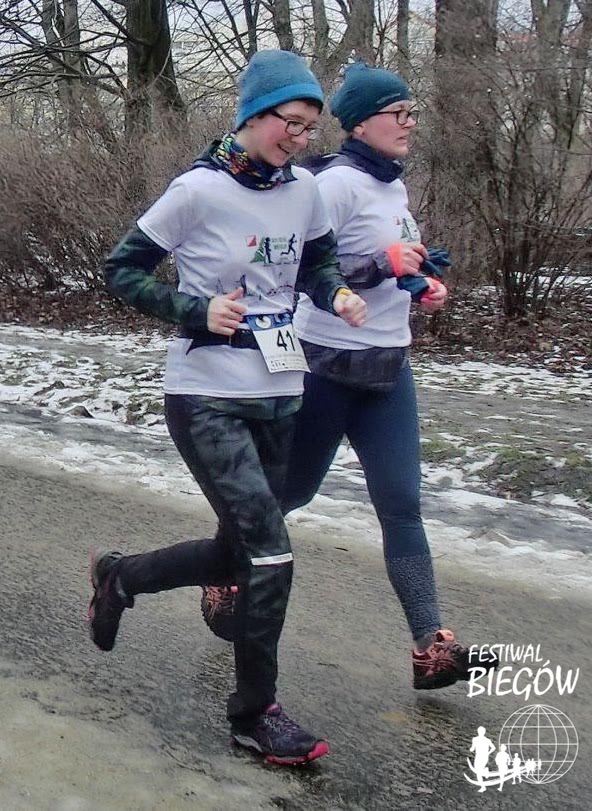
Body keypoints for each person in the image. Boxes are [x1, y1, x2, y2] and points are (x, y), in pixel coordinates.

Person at [87, 49, 366, 767]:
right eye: (289, 123)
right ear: (254, 115)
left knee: (236, 552)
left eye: (309, 127)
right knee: (271, 550)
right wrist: (195, 309)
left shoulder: (306, 191)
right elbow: (120, 270)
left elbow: (317, 261)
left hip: (281, 391)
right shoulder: (198, 190)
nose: (299, 139)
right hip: (207, 394)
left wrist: (335, 292)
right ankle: (255, 715)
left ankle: (121, 575)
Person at [201, 63, 498, 691]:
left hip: (388, 369)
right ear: (361, 122)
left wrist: (420, 283)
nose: (410, 123)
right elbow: (306, 269)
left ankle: (430, 648)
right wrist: (377, 266)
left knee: (403, 505)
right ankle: (225, 572)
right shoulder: (331, 183)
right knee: (289, 494)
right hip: (325, 367)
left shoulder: (393, 187)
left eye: (413, 112)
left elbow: (391, 263)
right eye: (399, 113)